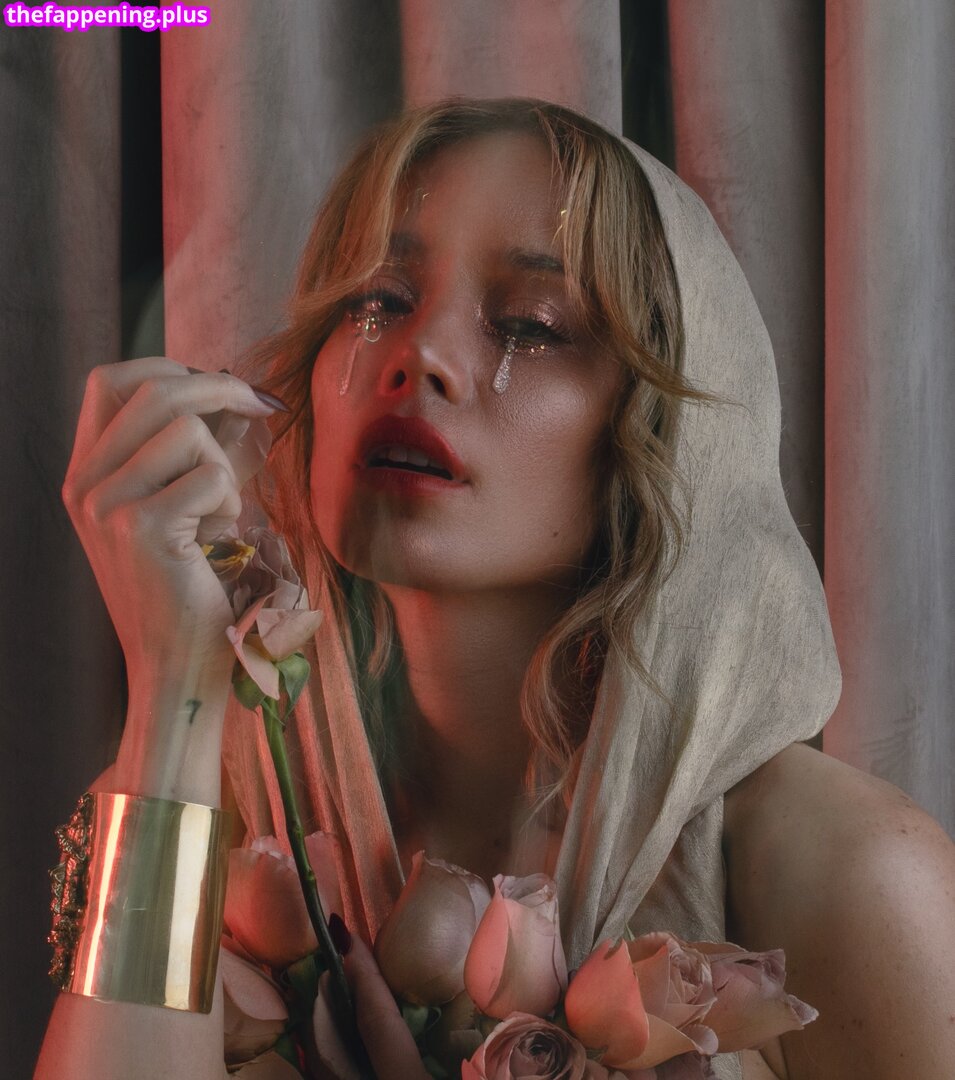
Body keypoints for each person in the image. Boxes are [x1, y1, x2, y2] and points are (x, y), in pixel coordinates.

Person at [36, 99, 955, 1080]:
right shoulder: (203, 809)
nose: (417, 355)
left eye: (530, 325)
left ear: (669, 435)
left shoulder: (850, 873)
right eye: (376, 300)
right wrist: (175, 690)